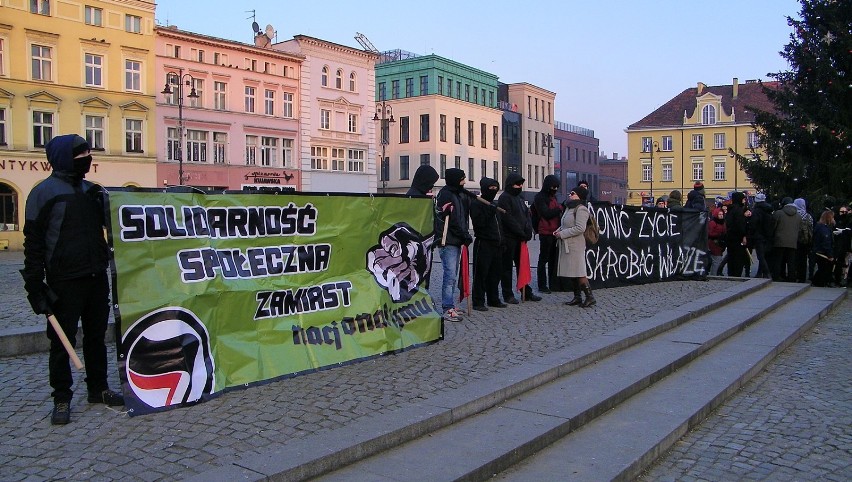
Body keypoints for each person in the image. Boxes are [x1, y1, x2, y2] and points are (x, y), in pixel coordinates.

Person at [20, 134, 125, 425]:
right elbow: (34, 244)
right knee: (60, 342)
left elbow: (121, 220)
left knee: (96, 338)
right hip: (63, 281)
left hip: (95, 276)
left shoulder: (94, 191)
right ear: (65, 157)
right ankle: (62, 397)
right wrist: (34, 286)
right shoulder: (44, 193)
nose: (87, 159)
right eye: (81, 155)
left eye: (88, 154)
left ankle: (98, 388)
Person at [434, 168, 472, 322]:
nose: (464, 182)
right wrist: (464, 235)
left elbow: (461, 218)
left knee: (453, 275)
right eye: (462, 179)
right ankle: (447, 307)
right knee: (449, 275)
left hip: (455, 240)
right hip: (448, 240)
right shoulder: (447, 194)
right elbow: (452, 221)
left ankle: (450, 304)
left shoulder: (457, 193)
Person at [498, 173, 541, 303]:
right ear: (511, 184)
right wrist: (520, 232)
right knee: (506, 268)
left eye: (521, 184)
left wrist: (528, 230)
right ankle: (508, 293)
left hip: (521, 238)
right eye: (518, 184)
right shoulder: (504, 198)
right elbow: (507, 218)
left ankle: (525, 291)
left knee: (523, 266)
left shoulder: (520, 198)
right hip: (509, 237)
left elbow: (527, 215)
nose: (520, 186)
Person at [555, 185, 595, 307]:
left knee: (579, 271)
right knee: (572, 271)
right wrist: (558, 231)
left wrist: (562, 234)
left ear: (579, 196)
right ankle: (577, 296)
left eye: (573, 193)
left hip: (575, 244)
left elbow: (580, 228)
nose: (570, 195)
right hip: (567, 243)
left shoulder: (581, 209)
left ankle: (589, 297)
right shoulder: (569, 208)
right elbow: (565, 224)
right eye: (570, 193)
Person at [469, 177, 506, 311]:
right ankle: (478, 301)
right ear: (484, 188)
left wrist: (503, 241)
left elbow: (499, 225)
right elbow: (479, 224)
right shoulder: (477, 204)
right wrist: (490, 212)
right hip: (483, 242)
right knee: (481, 273)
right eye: (491, 188)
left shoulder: (494, 204)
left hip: (497, 244)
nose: (494, 190)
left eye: (496, 188)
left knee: (495, 274)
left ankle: (493, 298)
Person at [532, 175, 562, 293]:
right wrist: (559, 209)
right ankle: (542, 285)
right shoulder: (540, 198)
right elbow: (546, 213)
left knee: (553, 260)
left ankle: (552, 283)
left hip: (554, 232)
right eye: (553, 187)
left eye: (556, 187)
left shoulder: (552, 197)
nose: (555, 189)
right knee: (543, 259)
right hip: (545, 232)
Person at [771, 197, 801, 282]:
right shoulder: (798, 216)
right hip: (793, 241)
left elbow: (773, 226)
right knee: (791, 261)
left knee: (778, 260)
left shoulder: (778, 213)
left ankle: (776, 276)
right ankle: (792, 278)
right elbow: (800, 229)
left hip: (779, 241)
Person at [747, 193, 775, 278]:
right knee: (763, 255)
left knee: (760, 256)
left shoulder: (756, 211)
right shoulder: (769, 210)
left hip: (758, 236)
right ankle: (759, 273)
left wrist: (751, 232)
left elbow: (753, 224)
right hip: (768, 236)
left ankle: (767, 273)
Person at [724, 191, 748, 278]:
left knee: (731, 257)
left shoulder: (730, 209)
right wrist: (744, 235)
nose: (744, 201)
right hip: (737, 238)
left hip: (730, 237)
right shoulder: (738, 210)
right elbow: (740, 225)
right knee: (738, 258)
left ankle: (731, 274)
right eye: (743, 199)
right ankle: (736, 275)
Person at [811, 209, 835, 287]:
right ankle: (819, 282)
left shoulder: (819, 227)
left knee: (822, 269)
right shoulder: (825, 229)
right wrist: (830, 255)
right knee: (824, 269)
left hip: (817, 251)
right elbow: (826, 243)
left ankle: (816, 281)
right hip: (822, 253)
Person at [793, 198, 814, 283]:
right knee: (803, 260)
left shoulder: (795, 215)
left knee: (794, 259)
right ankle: (802, 277)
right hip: (806, 241)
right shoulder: (808, 216)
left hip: (795, 240)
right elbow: (811, 227)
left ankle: (795, 275)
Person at [832, 205, 851, 287]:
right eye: (842, 212)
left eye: (845, 212)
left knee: (840, 264)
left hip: (843, 245)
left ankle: (838, 280)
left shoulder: (848, 221)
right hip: (835, 244)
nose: (843, 213)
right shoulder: (836, 220)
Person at [707, 207, 727, 272]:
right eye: (719, 214)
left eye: (722, 214)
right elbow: (710, 233)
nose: (721, 216)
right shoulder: (713, 223)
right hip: (713, 243)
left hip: (720, 244)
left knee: (717, 260)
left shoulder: (723, 222)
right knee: (716, 261)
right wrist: (718, 235)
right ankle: (714, 274)